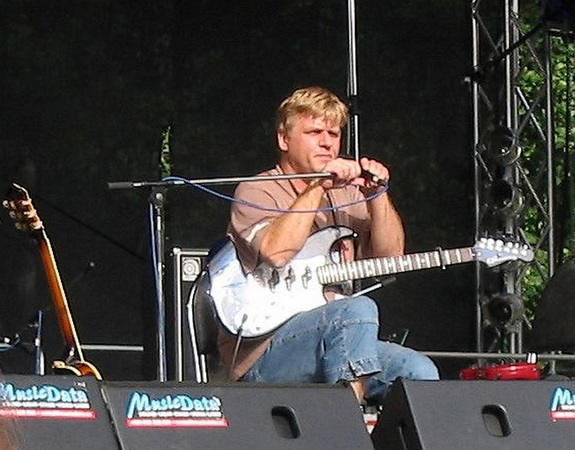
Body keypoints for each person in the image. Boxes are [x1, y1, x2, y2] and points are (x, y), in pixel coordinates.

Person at [216, 86, 439, 406]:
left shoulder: (347, 195)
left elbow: (390, 257)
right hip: (264, 354)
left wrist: (377, 194)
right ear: (284, 139)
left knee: (419, 371)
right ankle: (345, 424)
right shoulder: (258, 190)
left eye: (333, 134)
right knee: (357, 310)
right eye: (314, 132)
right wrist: (318, 185)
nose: (326, 142)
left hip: (337, 337)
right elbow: (276, 253)